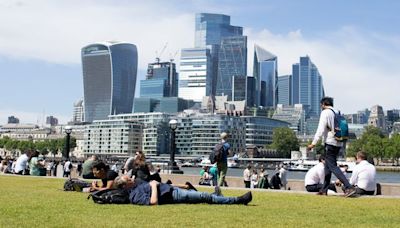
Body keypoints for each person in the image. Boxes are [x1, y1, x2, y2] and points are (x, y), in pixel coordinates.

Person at [307, 97, 356, 197]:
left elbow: (320, 129)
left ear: (324, 104)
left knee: (332, 166)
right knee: (327, 167)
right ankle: (324, 189)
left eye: (321, 105)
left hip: (330, 142)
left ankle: (348, 187)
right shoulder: (337, 112)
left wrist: (313, 143)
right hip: (339, 142)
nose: (321, 107)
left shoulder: (325, 113)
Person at [115, 175, 252, 206]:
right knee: (205, 196)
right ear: (124, 186)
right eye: (129, 179)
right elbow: (153, 202)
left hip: (173, 190)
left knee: (202, 196)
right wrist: (153, 186)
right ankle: (238, 200)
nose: (132, 178)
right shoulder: (135, 195)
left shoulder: (137, 185)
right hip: (172, 195)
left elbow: (160, 184)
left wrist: (181, 186)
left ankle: (217, 195)